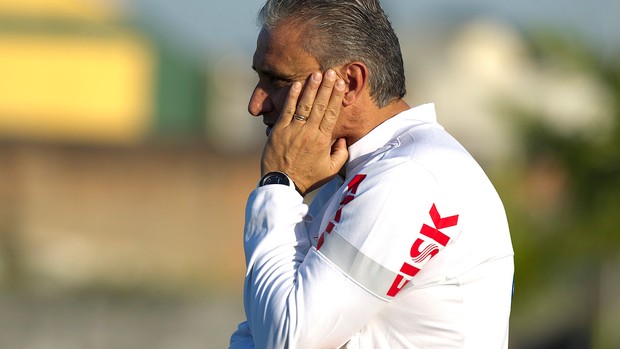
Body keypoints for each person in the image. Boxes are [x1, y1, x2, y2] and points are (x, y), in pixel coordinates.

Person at [230, 0, 514, 348]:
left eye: (277, 80)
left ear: (349, 82)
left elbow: (288, 339)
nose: (256, 103)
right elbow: (258, 328)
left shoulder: (409, 177)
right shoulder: (363, 174)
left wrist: (278, 183)